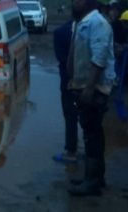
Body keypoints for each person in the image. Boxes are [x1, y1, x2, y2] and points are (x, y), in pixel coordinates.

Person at [67, 0, 115, 196]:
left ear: (90, 1)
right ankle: (96, 178)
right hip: (82, 85)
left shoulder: (98, 23)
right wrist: (72, 79)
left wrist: (88, 88)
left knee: (91, 136)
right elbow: (75, 55)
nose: (76, 2)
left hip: (95, 88)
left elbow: (99, 58)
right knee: (93, 133)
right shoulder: (79, 23)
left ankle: (92, 182)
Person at [52, 19, 79, 164]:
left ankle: (71, 151)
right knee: (90, 119)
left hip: (68, 82)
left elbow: (61, 58)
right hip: (90, 82)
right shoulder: (97, 29)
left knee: (70, 116)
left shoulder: (60, 32)